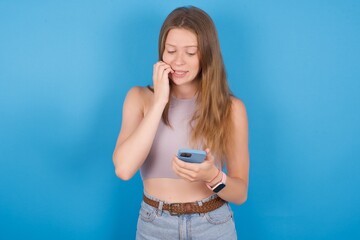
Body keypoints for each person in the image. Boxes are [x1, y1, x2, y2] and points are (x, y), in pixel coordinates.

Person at [113, 6, 249, 240]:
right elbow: (124, 169)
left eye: (190, 52)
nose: (178, 61)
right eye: (171, 50)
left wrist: (212, 176)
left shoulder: (230, 108)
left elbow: (240, 194)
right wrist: (159, 103)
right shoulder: (139, 98)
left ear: (206, 54)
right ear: (161, 52)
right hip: (154, 224)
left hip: (212, 224)